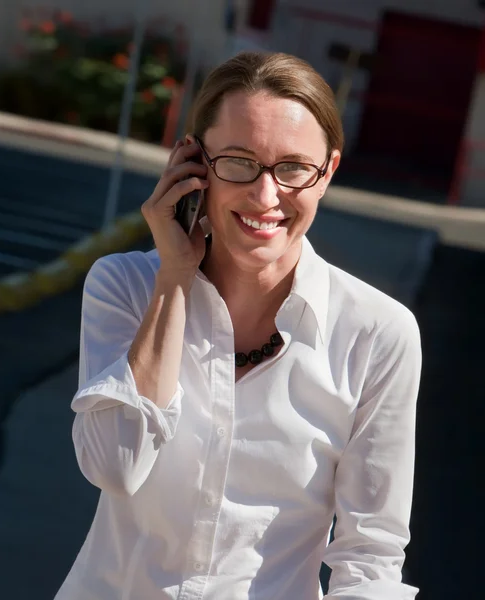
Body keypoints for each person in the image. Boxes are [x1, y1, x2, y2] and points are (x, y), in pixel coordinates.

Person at [54, 51, 421, 600]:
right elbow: (116, 465)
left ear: (328, 174)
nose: (266, 195)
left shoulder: (379, 333)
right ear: (193, 163)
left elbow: (370, 556)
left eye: (294, 167)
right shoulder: (125, 287)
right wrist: (174, 279)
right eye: (239, 161)